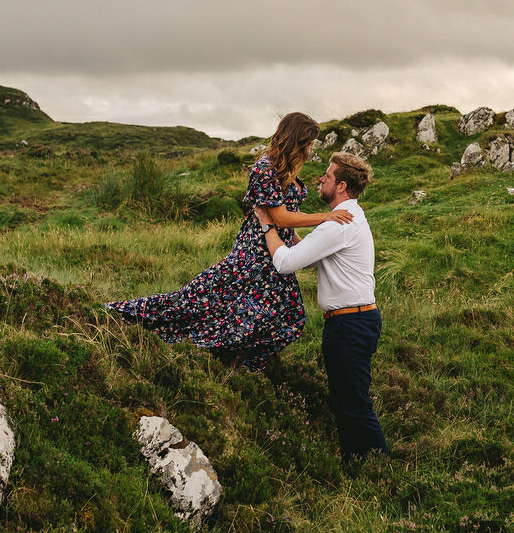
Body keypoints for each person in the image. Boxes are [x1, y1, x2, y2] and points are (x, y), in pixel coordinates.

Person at [104, 112, 352, 370]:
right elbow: (279, 217)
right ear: (296, 141)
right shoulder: (264, 168)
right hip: (255, 253)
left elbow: (288, 221)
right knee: (193, 302)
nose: (310, 150)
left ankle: (238, 357)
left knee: (286, 316)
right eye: (309, 143)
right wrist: (326, 217)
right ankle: (123, 314)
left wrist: (303, 245)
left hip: (274, 250)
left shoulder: (285, 170)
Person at [253, 151, 389, 461]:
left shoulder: (339, 223)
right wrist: (288, 230)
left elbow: (287, 264)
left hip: (351, 324)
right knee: (345, 399)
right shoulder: (348, 217)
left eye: (327, 176)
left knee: (353, 402)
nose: (321, 180)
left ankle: (380, 468)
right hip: (353, 321)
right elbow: (311, 253)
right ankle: (356, 463)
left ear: (340, 186)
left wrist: (267, 226)